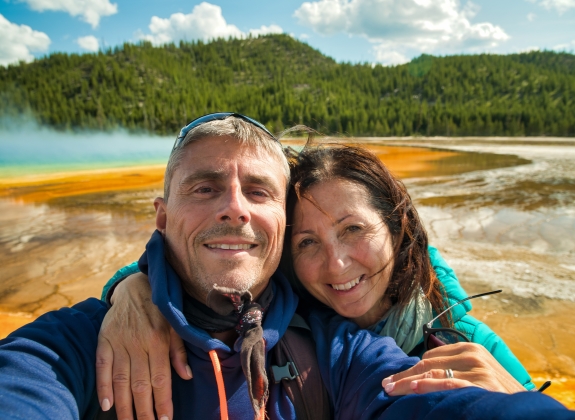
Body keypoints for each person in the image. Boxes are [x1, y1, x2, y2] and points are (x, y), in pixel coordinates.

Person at [0, 113, 571, 420]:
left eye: (256, 190)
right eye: (205, 187)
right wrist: (132, 289)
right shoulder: (76, 345)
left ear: (397, 231)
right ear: (161, 215)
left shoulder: (351, 349)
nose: (234, 207)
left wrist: (517, 398)